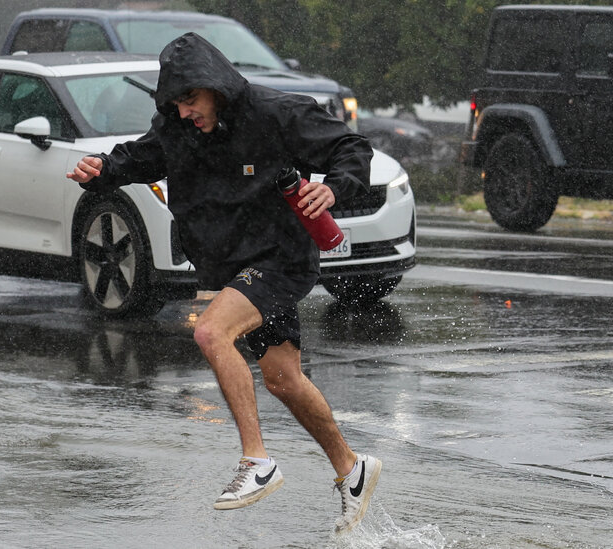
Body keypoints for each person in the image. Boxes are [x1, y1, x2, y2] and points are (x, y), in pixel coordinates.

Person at [66, 32, 381, 533]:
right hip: (233, 266)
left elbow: (350, 146)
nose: (186, 112)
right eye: (177, 103)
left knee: (211, 332)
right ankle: (352, 467)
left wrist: (334, 188)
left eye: (191, 100)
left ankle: (256, 460)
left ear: (215, 86)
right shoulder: (178, 127)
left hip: (279, 258)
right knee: (282, 378)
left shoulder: (274, 112)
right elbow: (139, 157)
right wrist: (100, 169)